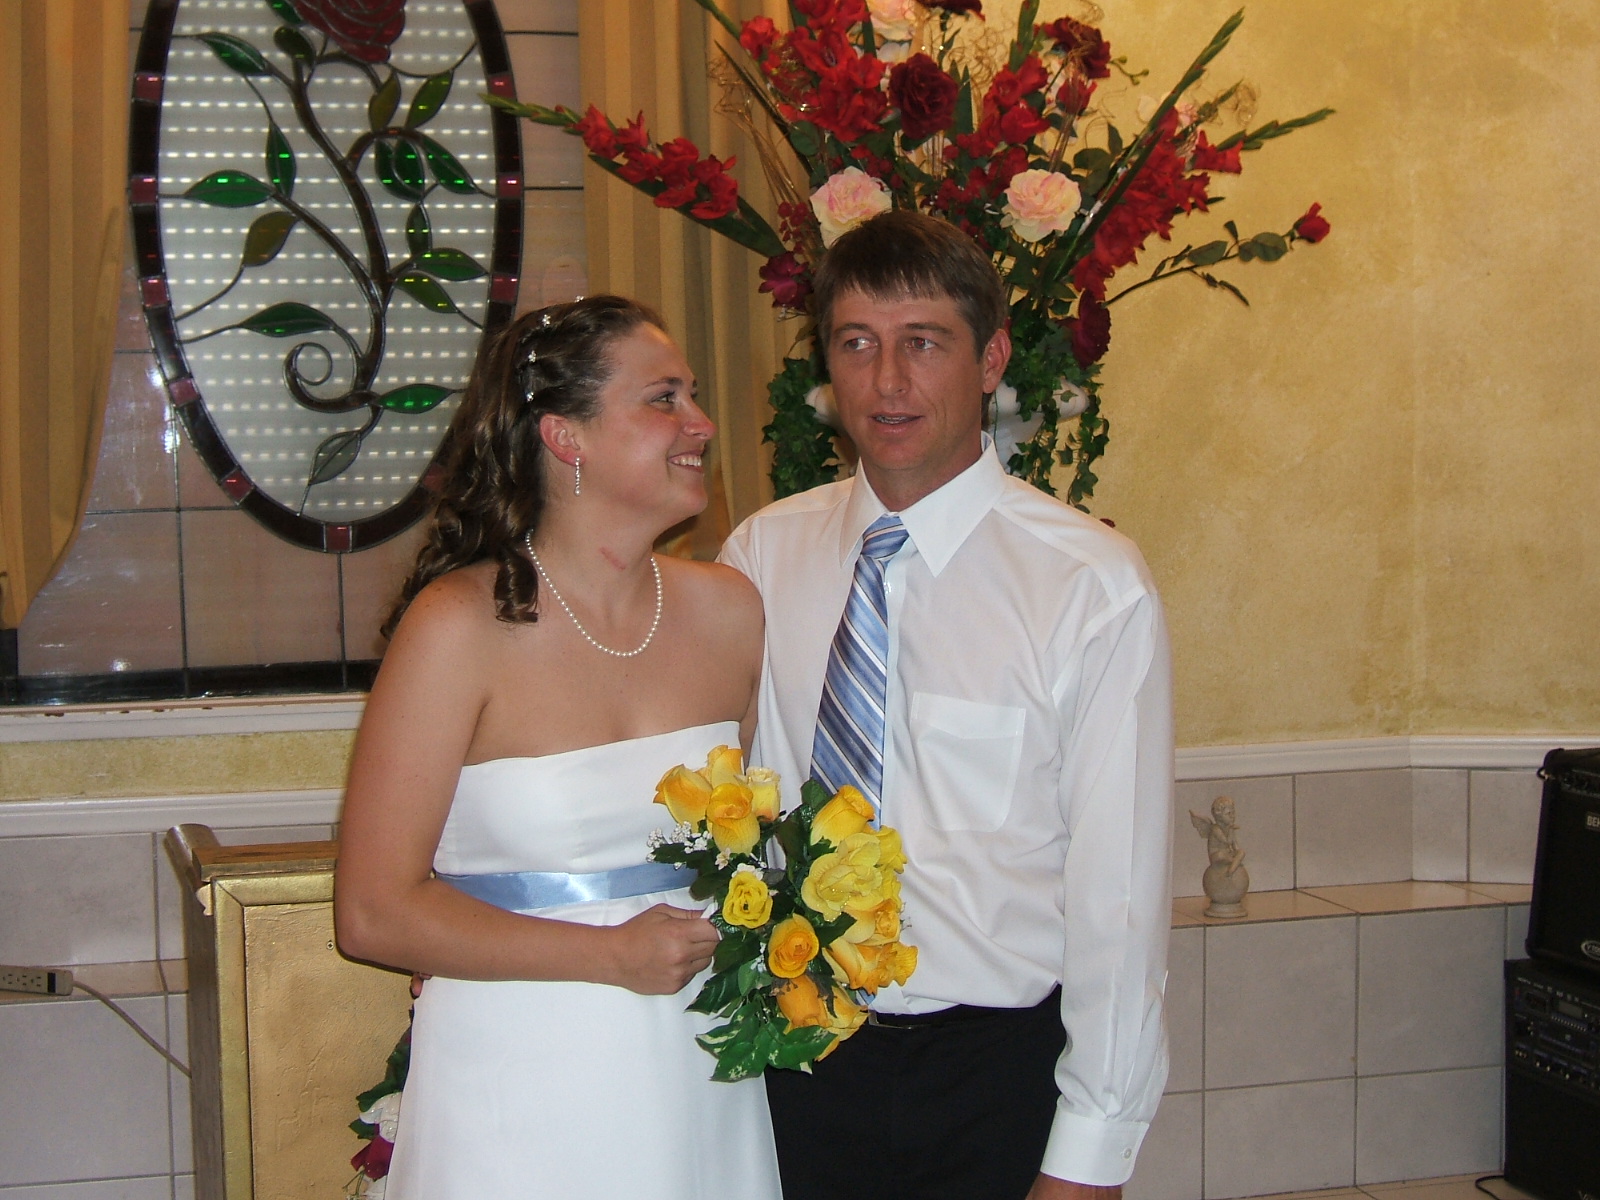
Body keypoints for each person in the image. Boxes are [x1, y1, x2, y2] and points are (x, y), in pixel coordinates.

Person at [719, 210, 1174, 1199]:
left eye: (922, 343)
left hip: (993, 1073)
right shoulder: (758, 559)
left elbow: (1120, 897)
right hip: (795, 1056)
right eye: (857, 344)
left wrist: (1091, 1154)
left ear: (991, 359)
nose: (887, 381)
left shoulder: (1088, 585)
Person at [334, 296, 781, 1199]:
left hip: (696, 1067)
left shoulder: (731, 610)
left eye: (693, 396)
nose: (700, 424)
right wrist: (609, 957)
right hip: (517, 1078)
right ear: (564, 436)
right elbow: (372, 912)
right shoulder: (456, 627)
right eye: (664, 399)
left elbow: (752, 846)